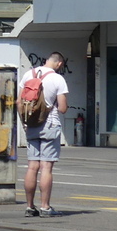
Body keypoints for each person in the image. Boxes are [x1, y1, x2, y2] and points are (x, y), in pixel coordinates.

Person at [22, 51, 69, 217]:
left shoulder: (29, 74)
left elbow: (19, 102)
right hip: (50, 124)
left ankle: (29, 207)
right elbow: (62, 108)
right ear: (59, 64)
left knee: (32, 166)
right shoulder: (58, 79)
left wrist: (26, 123)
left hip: (32, 125)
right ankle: (45, 207)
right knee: (46, 167)